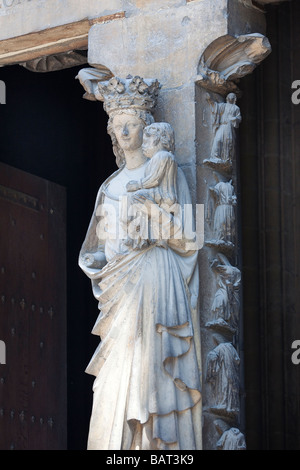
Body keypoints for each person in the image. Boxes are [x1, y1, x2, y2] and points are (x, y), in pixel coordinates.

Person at [78, 76, 202, 450]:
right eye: (119, 125)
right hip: (119, 289)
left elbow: (191, 236)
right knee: (113, 374)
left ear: (147, 129)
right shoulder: (110, 186)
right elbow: (95, 248)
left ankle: (158, 448)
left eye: (132, 123)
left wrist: (155, 222)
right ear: (113, 132)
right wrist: (99, 263)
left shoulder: (170, 173)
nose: (126, 129)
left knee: (152, 368)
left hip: (156, 279)